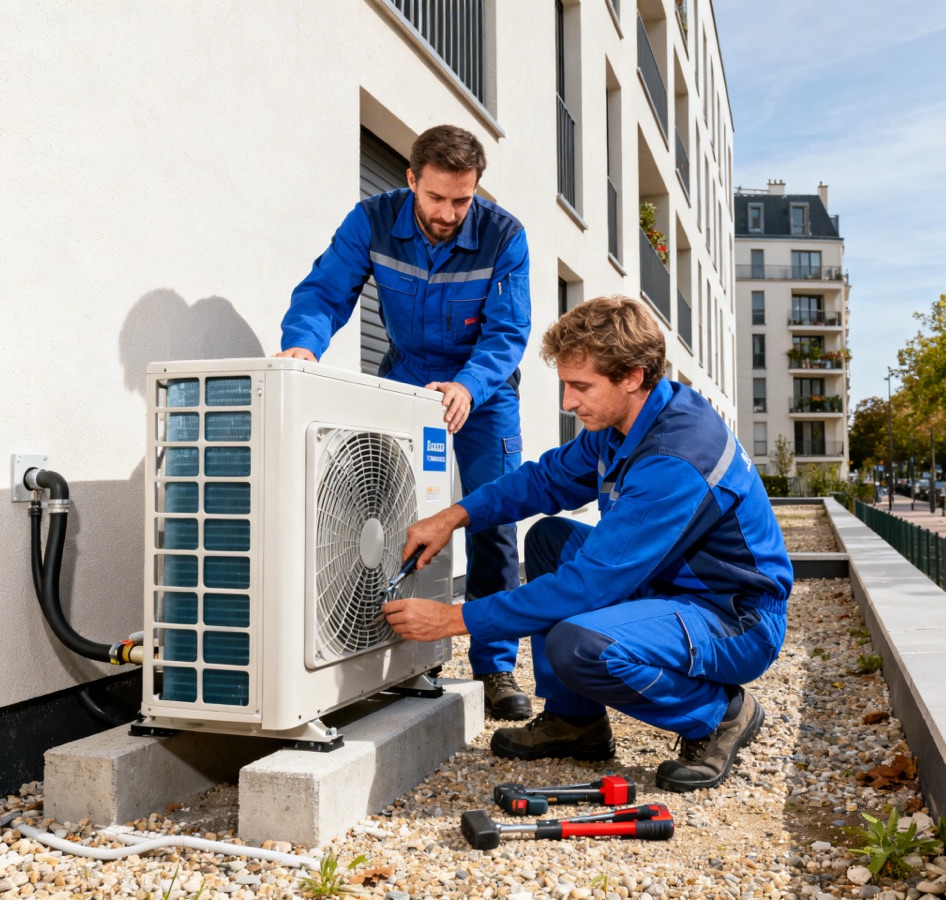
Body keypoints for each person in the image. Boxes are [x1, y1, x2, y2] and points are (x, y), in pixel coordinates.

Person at [384, 296, 793, 793]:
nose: (568, 403)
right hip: (672, 589)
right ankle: (576, 720)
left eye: (580, 387)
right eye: (565, 385)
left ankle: (720, 713)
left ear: (633, 376)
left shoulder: (675, 458)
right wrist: (454, 515)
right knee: (551, 539)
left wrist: (451, 620)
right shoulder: (626, 423)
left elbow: (587, 587)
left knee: (578, 644)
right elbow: (543, 482)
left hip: (735, 618)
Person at [277, 125, 532, 720]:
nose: (448, 214)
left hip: (483, 393)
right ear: (411, 179)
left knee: (492, 521)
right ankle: (410, 650)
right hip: (407, 381)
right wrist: (302, 348)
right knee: (395, 510)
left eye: (462, 200)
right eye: (437, 197)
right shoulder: (370, 220)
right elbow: (324, 293)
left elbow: (507, 331)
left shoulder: (505, 236)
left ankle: (495, 667)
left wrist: (469, 385)